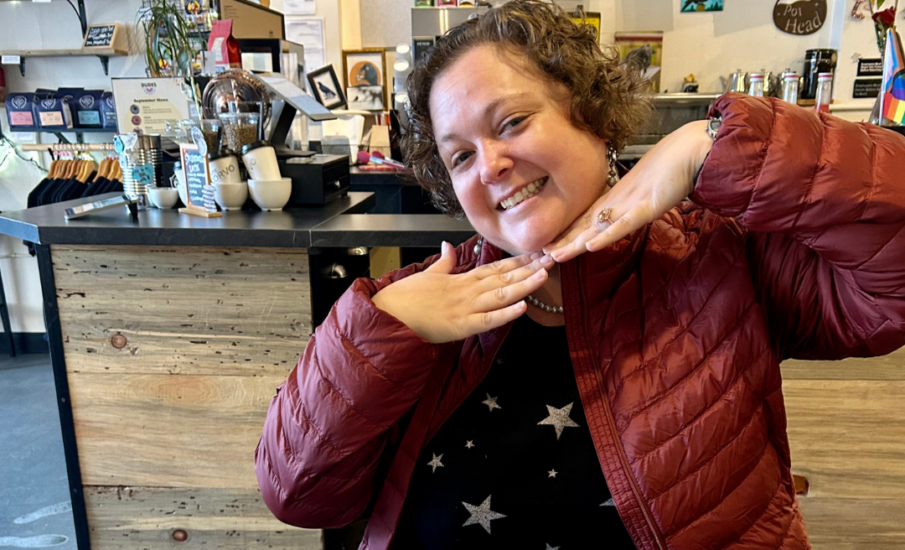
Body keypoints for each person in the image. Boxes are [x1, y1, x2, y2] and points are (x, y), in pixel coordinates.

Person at [255, 1, 905, 549]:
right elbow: (300, 497)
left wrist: (713, 147)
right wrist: (380, 332)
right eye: (458, 156)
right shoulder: (417, 307)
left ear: (592, 119)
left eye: (511, 122)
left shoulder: (721, 259)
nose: (489, 166)